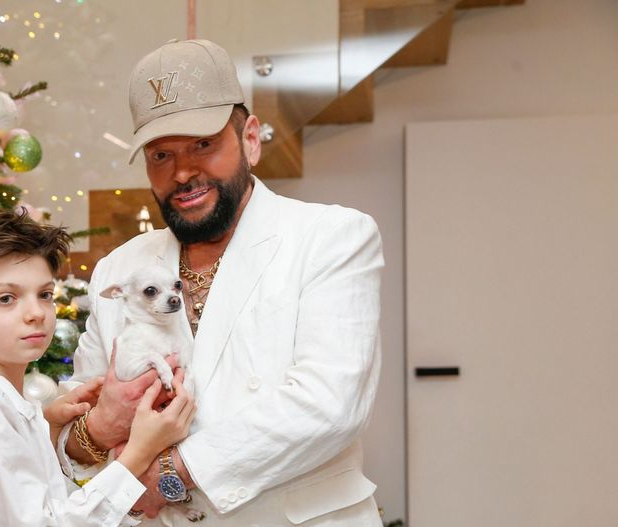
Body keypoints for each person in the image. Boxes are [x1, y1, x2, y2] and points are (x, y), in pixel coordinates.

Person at [58, 39, 385, 526]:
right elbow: (76, 422)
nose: (183, 172)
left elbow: (329, 405)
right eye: (161, 154)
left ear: (250, 139)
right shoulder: (117, 269)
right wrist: (99, 429)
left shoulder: (332, 237)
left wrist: (171, 473)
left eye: (203, 144)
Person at [0, 205, 197, 526]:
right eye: (6, 298)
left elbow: (29, 495)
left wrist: (48, 428)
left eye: (45, 294)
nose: (36, 313)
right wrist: (139, 453)